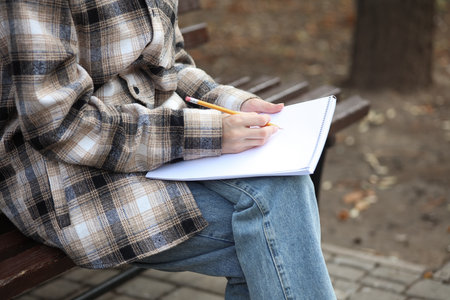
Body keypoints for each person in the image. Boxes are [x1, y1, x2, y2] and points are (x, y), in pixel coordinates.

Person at [0, 0, 335, 299]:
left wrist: (234, 102)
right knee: (276, 241)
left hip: (155, 139)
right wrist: (209, 134)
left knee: (284, 199)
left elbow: (170, 67)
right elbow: (59, 125)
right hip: (61, 172)